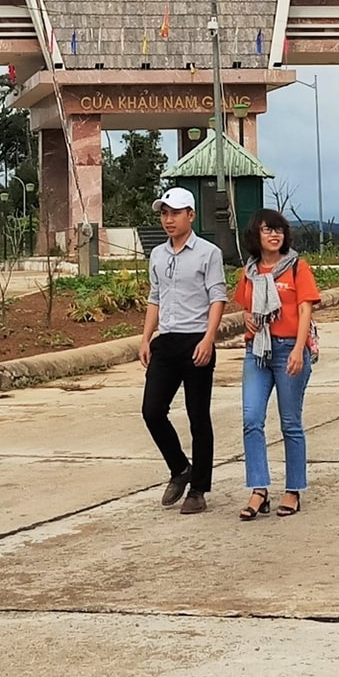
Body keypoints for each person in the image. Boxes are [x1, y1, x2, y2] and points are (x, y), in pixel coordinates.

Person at [140, 186, 227, 515]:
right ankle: (179, 467)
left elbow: (217, 297)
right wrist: (146, 338)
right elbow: (155, 297)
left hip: (195, 341)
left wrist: (209, 339)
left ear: (190, 215)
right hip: (166, 341)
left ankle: (198, 489)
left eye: (175, 213)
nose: (168, 219)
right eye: (164, 213)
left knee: (198, 416)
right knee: (152, 411)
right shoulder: (158, 255)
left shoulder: (208, 253)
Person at [232, 208, 320, 520]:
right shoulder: (250, 271)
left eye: (279, 229)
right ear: (256, 236)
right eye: (267, 229)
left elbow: (306, 310)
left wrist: (298, 350)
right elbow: (244, 305)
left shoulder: (296, 267)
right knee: (251, 419)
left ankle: (293, 489)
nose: (274, 234)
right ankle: (259, 489)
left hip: (288, 351)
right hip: (257, 351)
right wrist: (247, 317)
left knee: (290, 423)